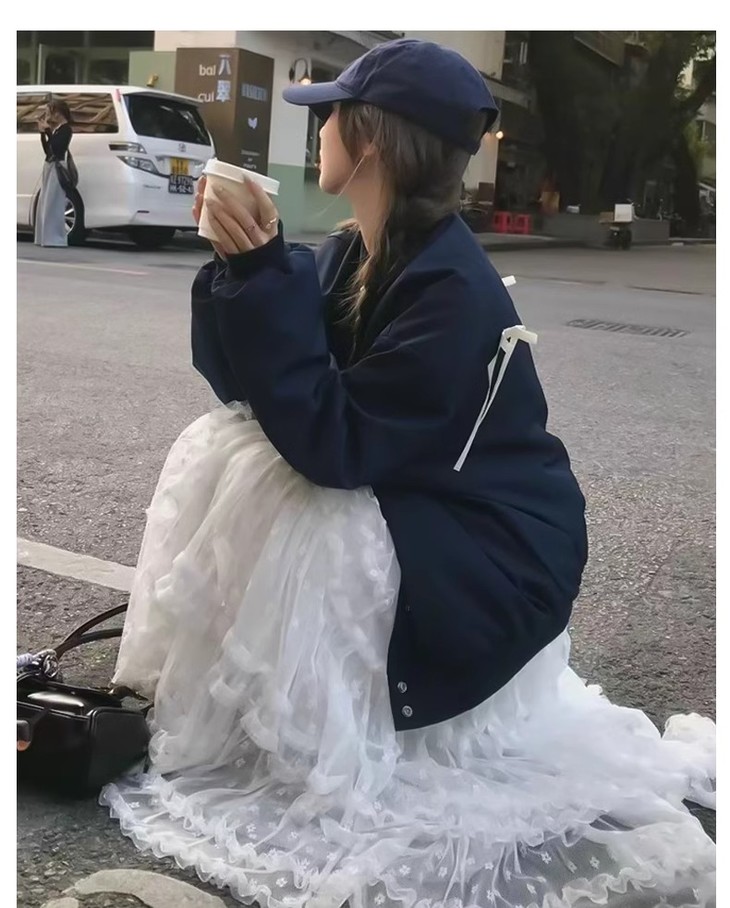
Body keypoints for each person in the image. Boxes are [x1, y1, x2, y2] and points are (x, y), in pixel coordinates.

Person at [102, 39, 715, 908]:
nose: (317, 129)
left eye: (330, 115)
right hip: (422, 495)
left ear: (373, 142)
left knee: (304, 508)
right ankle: (283, 716)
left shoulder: (453, 290)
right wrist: (240, 266)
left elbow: (334, 446)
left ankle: (333, 728)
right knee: (227, 445)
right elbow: (244, 389)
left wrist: (260, 273)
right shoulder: (357, 249)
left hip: (490, 550)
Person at [35, 98, 73, 247]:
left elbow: (57, 149)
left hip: (57, 167)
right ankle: (44, 237)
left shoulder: (66, 129)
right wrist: (43, 134)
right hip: (49, 165)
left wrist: (48, 131)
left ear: (57, 113)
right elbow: (48, 150)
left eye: (49, 113)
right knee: (45, 202)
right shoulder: (57, 129)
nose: (48, 116)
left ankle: (54, 238)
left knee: (53, 203)